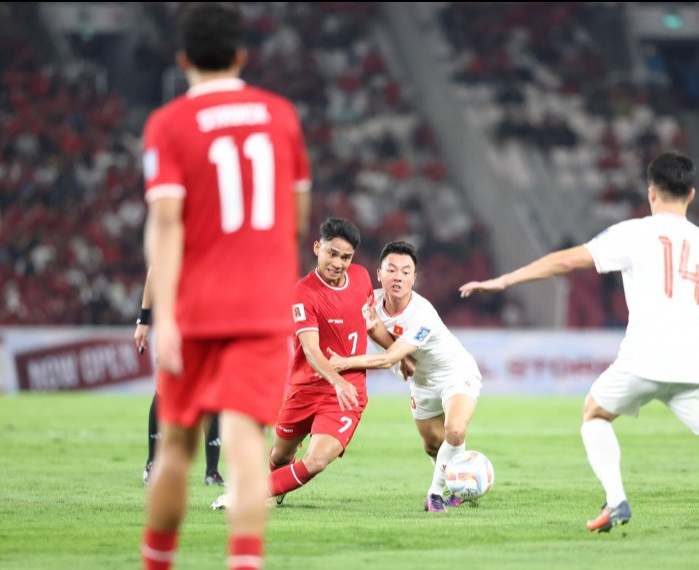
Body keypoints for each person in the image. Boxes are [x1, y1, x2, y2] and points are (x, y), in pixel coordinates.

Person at [459, 151, 699, 546]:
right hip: (697, 364)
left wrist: (504, 280)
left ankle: (616, 499)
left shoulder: (634, 233)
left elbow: (569, 261)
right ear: (691, 195)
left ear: (651, 192)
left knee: (595, 414)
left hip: (646, 358)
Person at [140, 3, 311, 569]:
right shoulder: (280, 115)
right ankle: (244, 562)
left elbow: (165, 223)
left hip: (195, 307)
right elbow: (298, 214)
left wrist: (163, 314)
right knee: (242, 440)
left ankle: (157, 561)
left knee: (177, 446)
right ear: (242, 55)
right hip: (260, 306)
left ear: (182, 57)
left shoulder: (167, 124)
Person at [210, 218, 399, 510]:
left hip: (348, 393)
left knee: (317, 459)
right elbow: (311, 351)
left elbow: (371, 325)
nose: (338, 263)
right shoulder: (304, 292)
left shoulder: (361, 278)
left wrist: (399, 353)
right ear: (317, 248)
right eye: (332, 253)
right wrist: (336, 378)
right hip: (306, 387)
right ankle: (276, 486)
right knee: (280, 457)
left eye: (346, 257)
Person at [325, 240, 482, 513]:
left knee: (455, 430)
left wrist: (343, 363)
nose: (398, 277)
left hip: (455, 372)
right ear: (379, 274)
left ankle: (435, 494)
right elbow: (340, 315)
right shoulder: (369, 302)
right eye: (392, 270)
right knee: (432, 445)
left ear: (414, 278)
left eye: (405, 271)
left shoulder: (423, 315)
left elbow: (388, 359)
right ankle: (457, 479)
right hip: (421, 381)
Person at [133, 267, 224, 488]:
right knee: (164, 388)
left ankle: (212, 472)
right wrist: (143, 320)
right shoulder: (177, 235)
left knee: (212, 390)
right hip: (175, 319)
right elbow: (155, 271)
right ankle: (153, 463)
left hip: (210, 320)